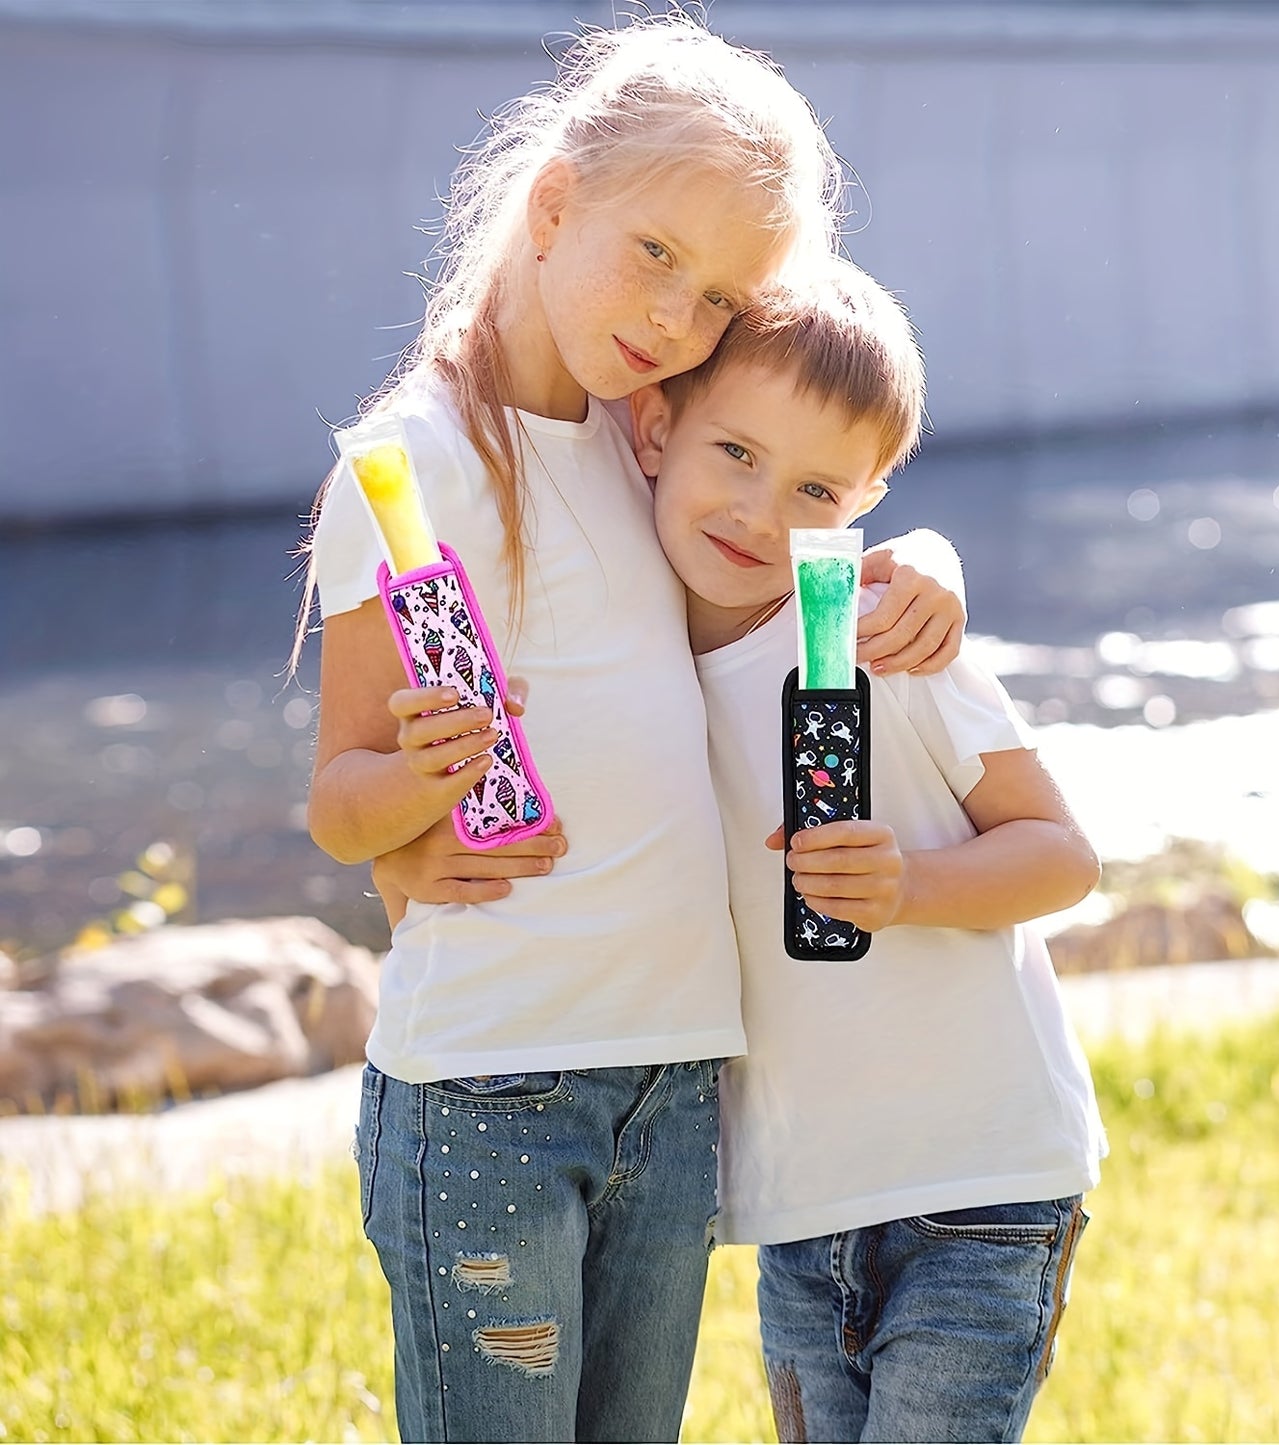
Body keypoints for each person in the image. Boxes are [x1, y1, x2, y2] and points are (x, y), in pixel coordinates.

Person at [297, 16, 963, 1443]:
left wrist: (937, 564)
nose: (674, 316)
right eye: (654, 252)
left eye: (720, 295)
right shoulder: (410, 463)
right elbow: (339, 802)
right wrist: (415, 783)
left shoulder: (648, 436)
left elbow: (821, 469)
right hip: (490, 1087)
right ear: (553, 206)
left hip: (669, 1086)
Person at [627, 257, 1110, 1443]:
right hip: (799, 1201)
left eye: (810, 486)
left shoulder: (885, 636)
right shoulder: (621, 655)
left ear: (864, 498)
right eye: (733, 453)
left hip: (981, 1180)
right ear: (655, 424)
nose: (754, 511)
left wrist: (915, 883)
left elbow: (1060, 854)